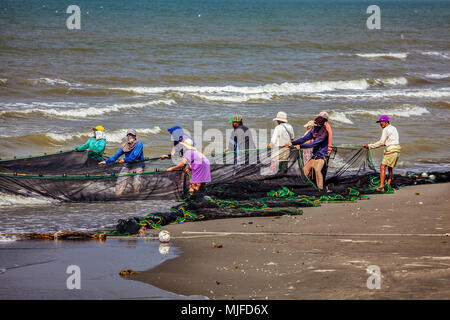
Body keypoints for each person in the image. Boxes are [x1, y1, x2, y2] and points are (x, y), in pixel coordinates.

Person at [286, 116, 329, 191]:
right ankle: (302, 186)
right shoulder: (313, 130)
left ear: (321, 125)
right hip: (315, 155)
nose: (315, 127)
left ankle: (320, 189)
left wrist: (301, 146)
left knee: (317, 170)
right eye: (315, 125)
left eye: (317, 125)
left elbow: (314, 144)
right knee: (305, 170)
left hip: (322, 156)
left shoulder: (324, 133)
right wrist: (292, 143)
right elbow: (304, 139)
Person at [99, 129, 145, 196]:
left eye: (132, 135)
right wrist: (106, 161)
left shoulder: (139, 144)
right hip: (128, 165)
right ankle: (117, 195)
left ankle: (136, 196)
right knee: (121, 181)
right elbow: (115, 156)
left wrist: (124, 160)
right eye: (129, 135)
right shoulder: (124, 145)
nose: (130, 136)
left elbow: (135, 156)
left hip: (138, 165)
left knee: (136, 182)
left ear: (135, 136)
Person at [363, 115, 401, 191]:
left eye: (381, 122)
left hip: (391, 149)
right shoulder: (394, 128)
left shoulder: (386, 129)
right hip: (397, 149)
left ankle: (381, 186)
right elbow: (390, 141)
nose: (380, 124)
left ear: (386, 122)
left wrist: (370, 146)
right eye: (380, 122)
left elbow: (381, 142)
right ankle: (388, 184)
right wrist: (376, 143)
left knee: (382, 166)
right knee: (390, 168)